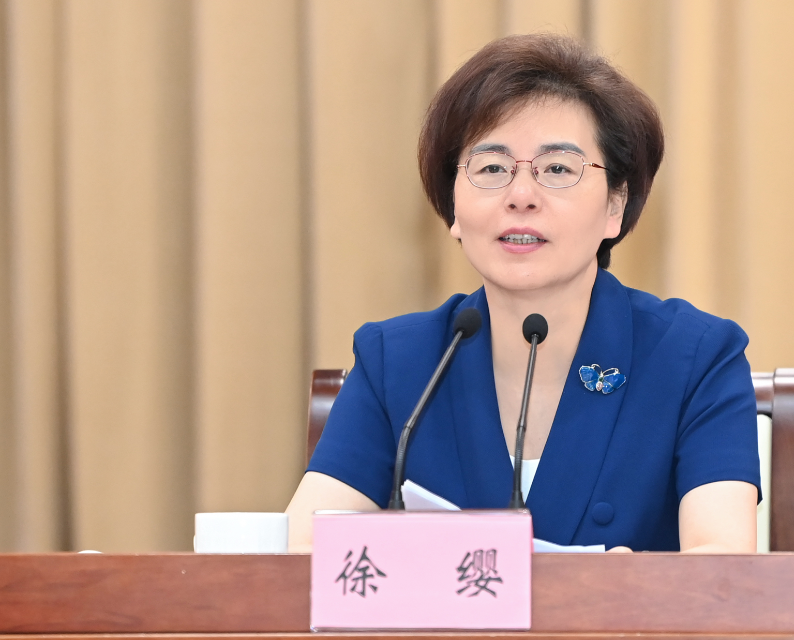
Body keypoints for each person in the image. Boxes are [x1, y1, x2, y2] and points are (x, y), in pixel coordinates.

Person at [285, 34, 759, 553]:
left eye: (557, 169)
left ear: (615, 206)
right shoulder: (397, 362)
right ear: (453, 207)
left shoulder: (694, 357)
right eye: (492, 168)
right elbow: (302, 554)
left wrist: (620, 588)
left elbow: (721, 565)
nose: (521, 196)